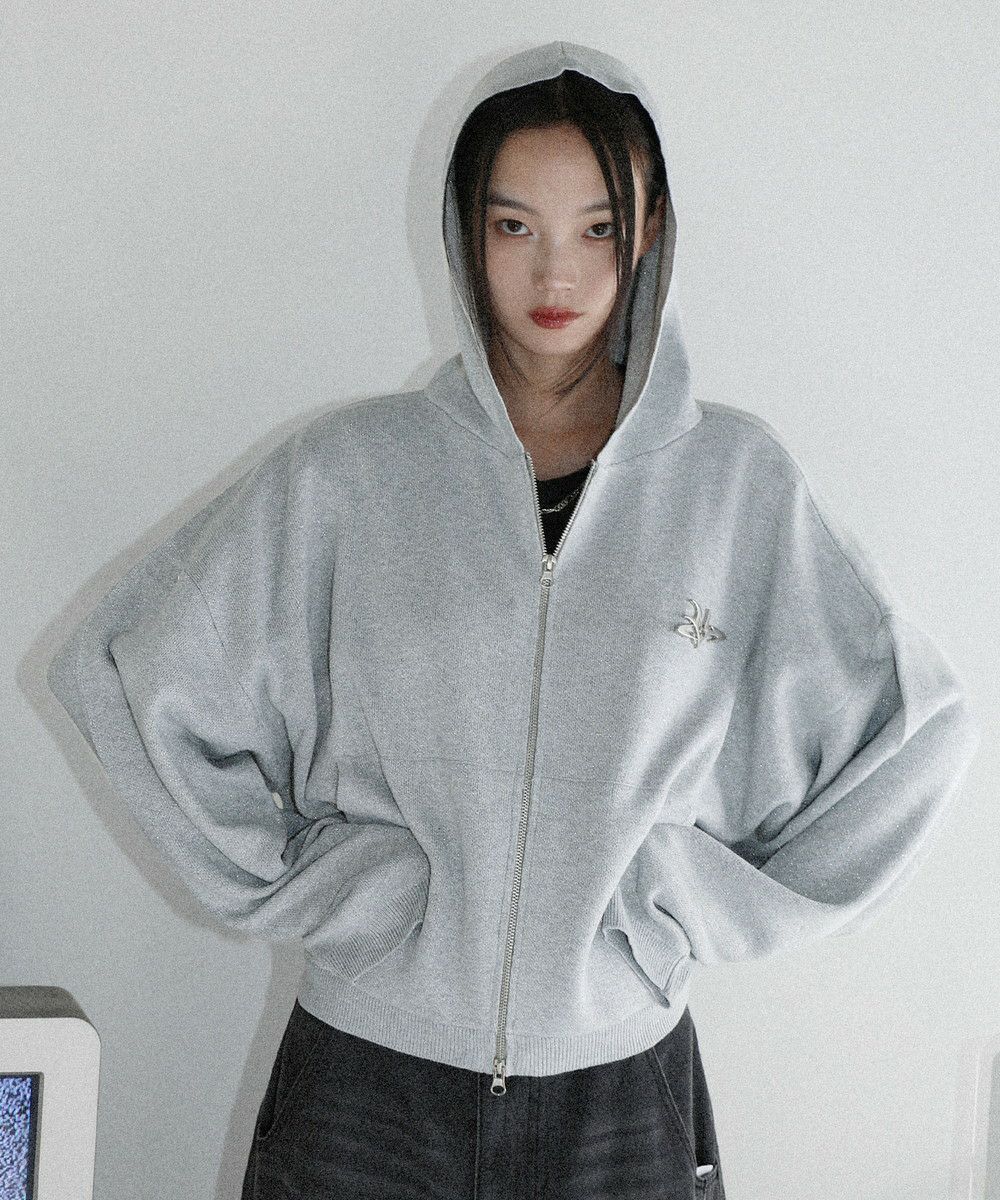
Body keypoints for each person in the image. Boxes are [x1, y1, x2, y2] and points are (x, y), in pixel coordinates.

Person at [46, 40, 981, 1200]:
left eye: (596, 227)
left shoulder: (732, 485)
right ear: (464, 232)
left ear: (649, 233)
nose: (555, 270)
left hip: (617, 1094)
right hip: (365, 1090)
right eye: (513, 225)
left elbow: (915, 731)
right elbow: (125, 673)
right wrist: (322, 890)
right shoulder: (352, 473)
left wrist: (672, 899)